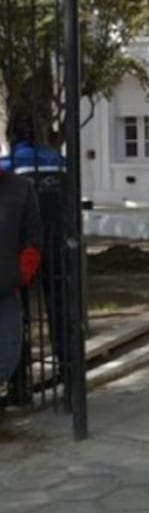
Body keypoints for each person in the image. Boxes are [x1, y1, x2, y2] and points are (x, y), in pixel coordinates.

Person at [1, 117, 69, 385]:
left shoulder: (10, 167)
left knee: (20, 322)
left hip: (16, 254)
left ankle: (19, 386)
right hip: (57, 243)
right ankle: (68, 372)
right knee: (60, 313)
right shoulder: (57, 160)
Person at [0, 163, 42, 395]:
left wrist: (20, 274)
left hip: (5, 286)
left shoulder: (20, 188)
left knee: (6, 351)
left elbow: (32, 237)